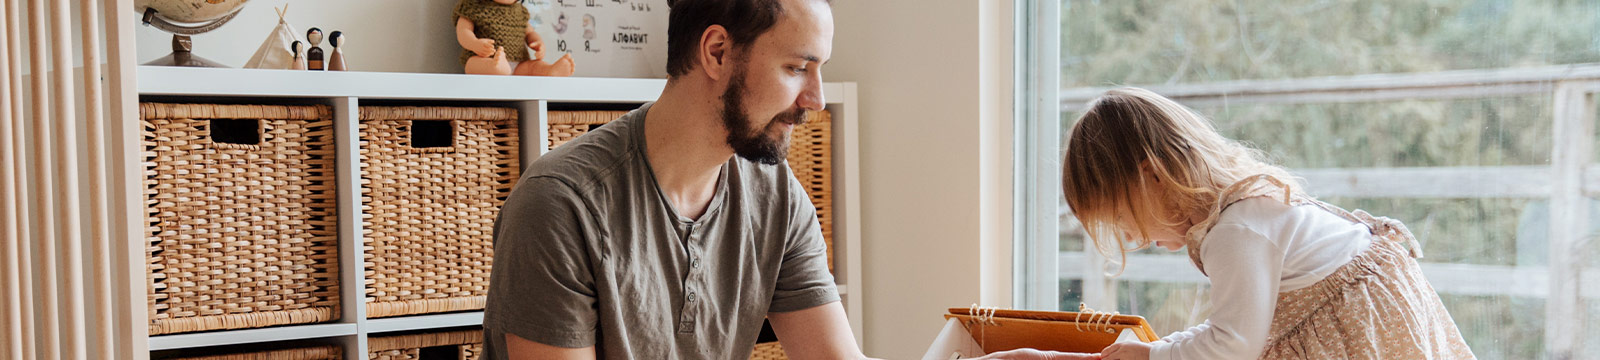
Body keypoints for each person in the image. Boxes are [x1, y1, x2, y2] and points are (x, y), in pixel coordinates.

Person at [481, 0, 871, 359]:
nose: (816, 99)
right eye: (797, 68)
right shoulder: (561, 206)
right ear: (717, 52)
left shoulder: (777, 197)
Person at [984, 87, 1474, 360]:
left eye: (1125, 220)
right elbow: (1235, 328)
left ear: (1151, 177)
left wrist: (1150, 357)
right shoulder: (1246, 208)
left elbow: (1233, 346)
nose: (1138, 239)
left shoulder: (1236, 232)